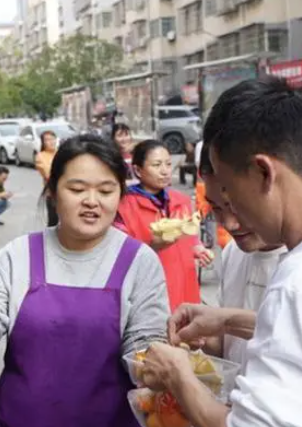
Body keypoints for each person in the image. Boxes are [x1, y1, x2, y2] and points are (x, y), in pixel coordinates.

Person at [0, 134, 171, 427]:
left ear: (121, 195)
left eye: (106, 190)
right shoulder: (19, 254)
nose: (91, 202)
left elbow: (144, 344)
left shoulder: (140, 261)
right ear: (52, 191)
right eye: (77, 188)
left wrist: (167, 370)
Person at [142, 77, 302, 427]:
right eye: (216, 206)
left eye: (229, 192)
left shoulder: (293, 279)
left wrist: (177, 375)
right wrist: (228, 322)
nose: (231, 219)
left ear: (263, 172)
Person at [198, 141, 286, 371]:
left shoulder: (293, 264)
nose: (229, 223)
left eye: (235, 205)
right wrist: (202, 337)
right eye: (216, 208)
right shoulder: (233, 252)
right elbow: (227, 347)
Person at [115, 140, 213, 311]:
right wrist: (152, 246)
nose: (165, 171)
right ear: (138, 170)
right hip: (151, 292)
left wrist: (197, 248)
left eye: (168, 164)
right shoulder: (125, 206)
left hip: (185, 287)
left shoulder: (180, 200)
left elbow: (191, 238)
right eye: (156, 165)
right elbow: (120, 255)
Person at [35, 130, 58, 226]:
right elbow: (48, 173)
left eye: (52, 139)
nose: (51, 141)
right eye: (47, 140)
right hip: (52, 193)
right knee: (53, 221)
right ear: (43, 143)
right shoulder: (40, 156)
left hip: (67, 192)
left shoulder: (61, 152)